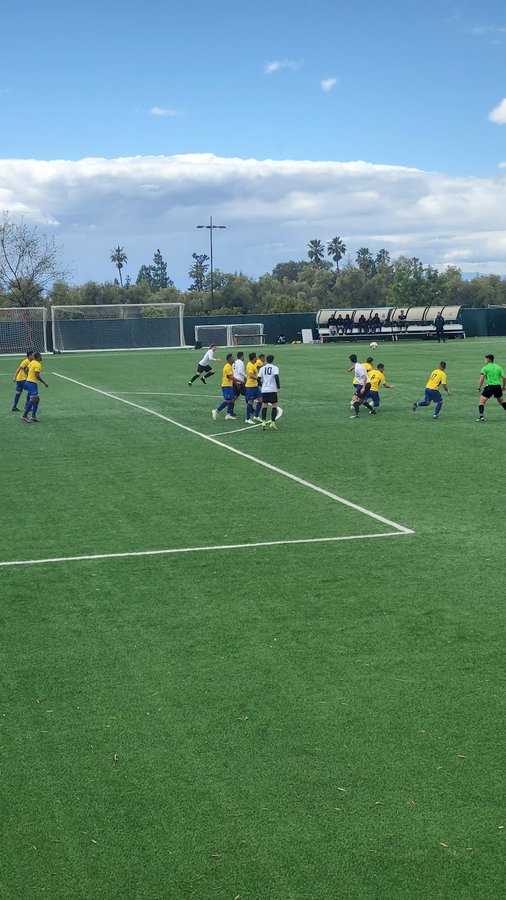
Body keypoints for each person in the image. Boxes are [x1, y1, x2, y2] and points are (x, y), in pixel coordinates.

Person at [476, 353, 506, 422]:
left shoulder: (485, 368)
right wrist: (504, 386)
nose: (485, 360)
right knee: (502, 401)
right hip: (497, 387)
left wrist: (479, 388)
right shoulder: (498, 367)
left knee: (481, 402)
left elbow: (482, 379)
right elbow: (504, 377)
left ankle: (481, 417)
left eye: (485, 359)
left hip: (489, 387)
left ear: (488, 359)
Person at [21, 352, 48, 423]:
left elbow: (26, 370)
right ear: (37, 357)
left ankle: (33, 416)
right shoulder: (38, 364)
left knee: (37, 399)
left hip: (28, 382)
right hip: (31, 383)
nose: (41, 357)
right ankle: (24, 416)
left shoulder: (32, 362)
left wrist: (28, 376)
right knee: (33, 399)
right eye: (40, 356)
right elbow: (37, 376)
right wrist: (44, 382)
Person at [258, 354, 280, 430]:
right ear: (273, 360)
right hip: (272, 389)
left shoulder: (262, 368)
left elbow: (258, 378)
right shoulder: (275, 368)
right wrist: (278, 387)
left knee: (264, 405)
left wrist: (261, 385)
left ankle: (263, 422)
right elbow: (276, 377)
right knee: (274, 405)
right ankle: (272, 423)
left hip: (264, 389)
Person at [212, 354, 237, 421]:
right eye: (232, 357)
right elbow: (231, 377)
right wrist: (239, 381)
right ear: (229, 359)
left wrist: (235, 383)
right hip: (227, 385)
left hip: (229, 385)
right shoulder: (228, 366)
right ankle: (216, 410)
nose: (234, 358)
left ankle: (228, 415)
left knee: (232, 399)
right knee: (228, 400)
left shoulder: (230, 366)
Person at [245, 352, 262, 424]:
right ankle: (247, 418)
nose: (257, 359)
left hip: (255, 386)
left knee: (261, 400)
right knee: (250, 402)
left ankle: (256, 416)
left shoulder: (253, 364)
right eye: (256, 357)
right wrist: (258, 379)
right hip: (250, 386)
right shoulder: (250, 365)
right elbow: (251, 375)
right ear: (254, 358)